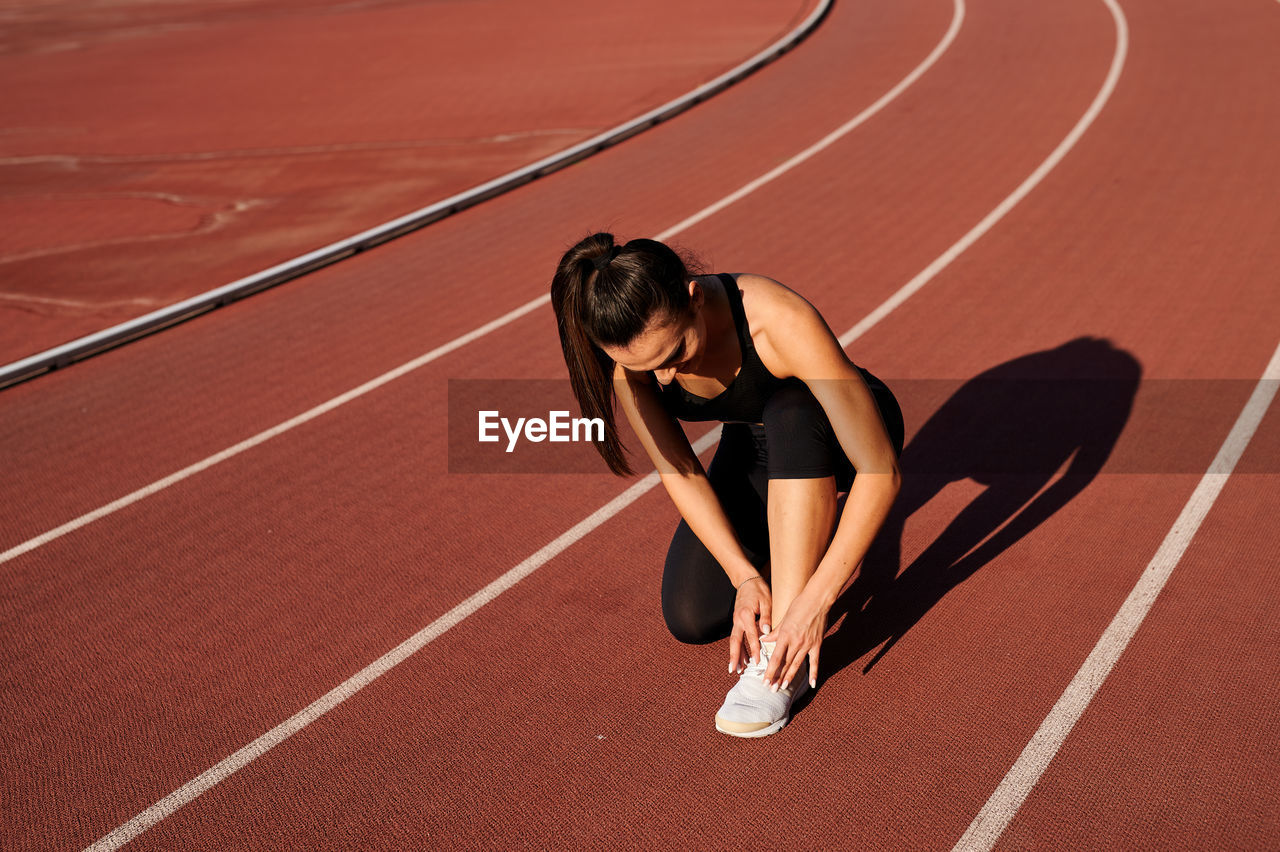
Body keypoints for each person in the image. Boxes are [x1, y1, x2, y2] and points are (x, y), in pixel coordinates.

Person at [550, 233, 904, 737]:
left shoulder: (777, 320)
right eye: (646, 367)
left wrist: (813, 602)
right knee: (694, 616)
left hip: (841, 436)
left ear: (693, 297)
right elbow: (684, 473)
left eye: (675, 352)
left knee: (790, 409)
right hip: (760, 443)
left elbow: (879, 470)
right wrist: (743, 576)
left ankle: (785, 661)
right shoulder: (636, 367)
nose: (666, 377)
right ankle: (785, 555)